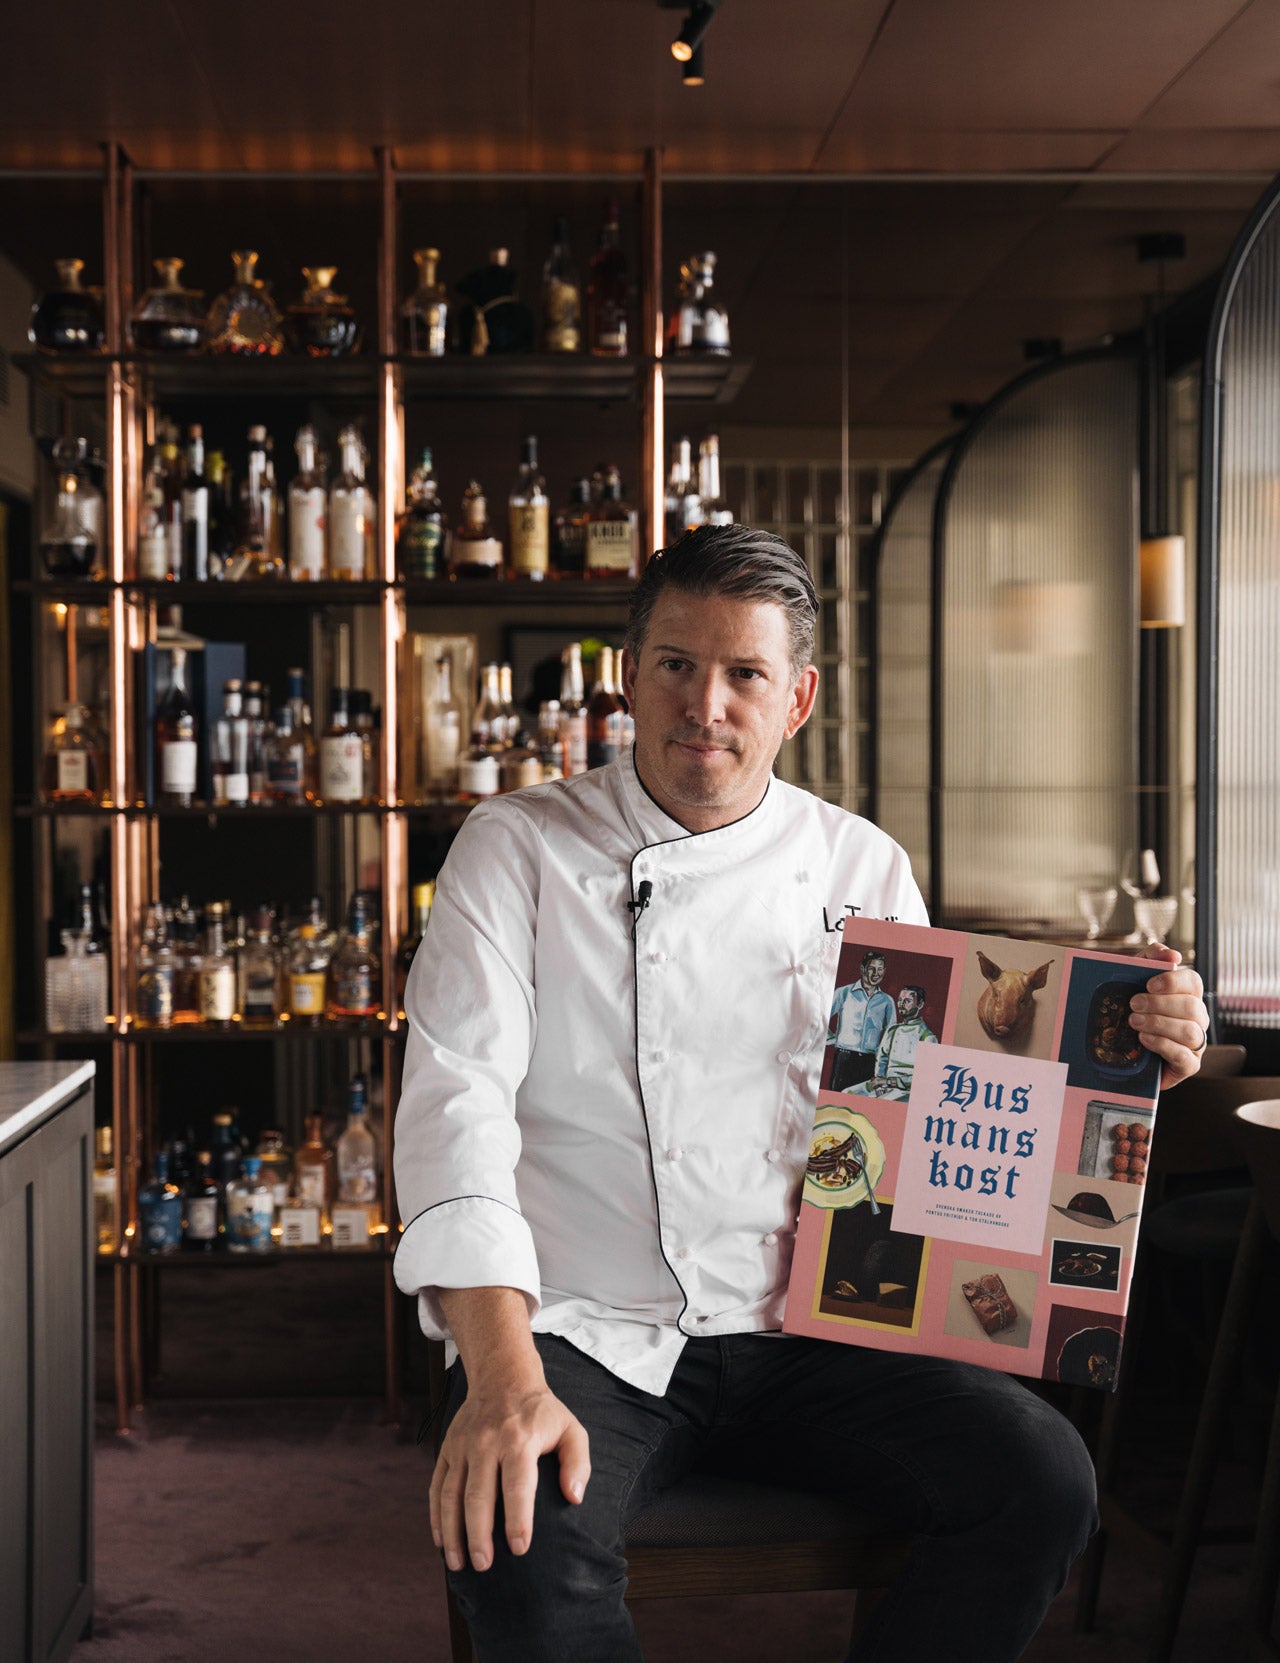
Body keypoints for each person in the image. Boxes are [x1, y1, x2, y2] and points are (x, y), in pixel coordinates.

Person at [393, 524, 1210, 1663]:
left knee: (1039, 1481)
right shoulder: (516, 845)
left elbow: (947, 1107)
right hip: (590, 1324)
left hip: (819, 1328)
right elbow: (453, 1106)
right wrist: (497, 1375)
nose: (703, 704)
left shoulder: (858, 864)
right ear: (627, 671)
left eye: (743, 673)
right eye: (675, 663)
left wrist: (1128, 1044)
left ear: (798, 698)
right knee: (521, 1535)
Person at [853, 984, 937, 1100]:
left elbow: (924, 1078)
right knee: (848, 1092)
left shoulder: (927, 1037)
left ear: (920, 1005)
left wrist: (890, 1082)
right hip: (883, 1084)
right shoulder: (892, 1031)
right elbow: (881, 1059)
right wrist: (879, 1082)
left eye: (907, 1001)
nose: (901, 1005)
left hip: (905, 1090)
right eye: (900, 1000)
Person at [828, 951, 896, 1090]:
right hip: (844, 1060)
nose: (876, 973)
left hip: (870, 1063)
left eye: (880, 969)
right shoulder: (843, 992)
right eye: (871, 968)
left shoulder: (887, 1001)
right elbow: (820, 1018)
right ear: (862, 969)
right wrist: (834, 1039)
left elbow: (891, 1035)